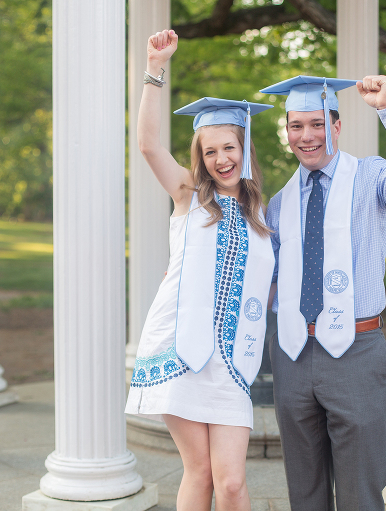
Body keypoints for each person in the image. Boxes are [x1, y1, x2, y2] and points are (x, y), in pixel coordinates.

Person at [261, 75, 386, 510]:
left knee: (361, 488)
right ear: (287, 132)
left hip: (357, 349)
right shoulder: (281, 202)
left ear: (336, 127)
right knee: (304, 488)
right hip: (294, 352)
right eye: (296, 126)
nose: (307, 136)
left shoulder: (370, 176)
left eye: (317, 124)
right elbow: (269, 276)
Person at [123, 29, 275, 511]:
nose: (221, 159)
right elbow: (148, 146)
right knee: (201, 472)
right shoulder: (190, 196)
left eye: (228, 148)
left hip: (232, 361)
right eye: (210, 152)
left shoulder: (263, 216)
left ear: (244, 146)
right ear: (201, 159)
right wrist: (155, 67)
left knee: (231, 482)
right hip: (181, 348)